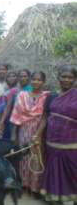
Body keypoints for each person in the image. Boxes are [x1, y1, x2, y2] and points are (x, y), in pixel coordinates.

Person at [38, 65, 77, 204]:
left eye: (70, 77)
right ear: (58, 78)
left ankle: (70, 200)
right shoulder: (51, 96)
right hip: (51, 142)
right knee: (54, 172)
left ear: (74, 79)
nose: (66, 80)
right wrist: (37, 135)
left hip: (71, 144)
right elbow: (44, 117)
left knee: (71, 172)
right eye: (64, 76)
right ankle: (55, 198)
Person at [10, 71, 49, 194]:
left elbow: (45, 116)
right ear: (30, 80)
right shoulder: (22, 95)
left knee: (37, 157)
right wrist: (14, 134)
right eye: (34, 79)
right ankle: (23, 184)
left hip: (39, 130)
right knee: (23, 157)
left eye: (39, 80)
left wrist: (38, 134)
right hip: (24, 130)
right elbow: (16, 115)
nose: (36, 82)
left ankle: (34, 187)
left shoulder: (47, 96)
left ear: (43, 82)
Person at [0, 71, 20, 139]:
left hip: (11, 119)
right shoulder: (4, 89)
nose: (11, 78)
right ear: (6, 78)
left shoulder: (16, 90)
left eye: (13, 76)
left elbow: (8, 107)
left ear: (17, 78)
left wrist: (1, 122)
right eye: (9, 76)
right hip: (4, 117)